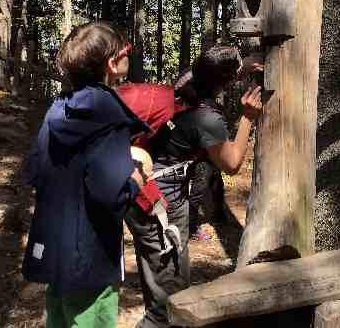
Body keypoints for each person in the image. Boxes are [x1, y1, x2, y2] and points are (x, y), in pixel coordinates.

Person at [22, 21, 150, 328]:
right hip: (91, 259)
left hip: (54, 252)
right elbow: (111, 197)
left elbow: (34, 170)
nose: (128, 55)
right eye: (127, 50)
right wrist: (137, 177)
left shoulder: (58, 108)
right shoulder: (109, 115)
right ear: (111, 62)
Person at [125, 44, 263, 328]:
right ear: (225, 80)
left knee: (160, 285)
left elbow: (210, 74)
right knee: (167, 305)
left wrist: (240, 69)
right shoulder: (207, 119)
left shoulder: (185, 83)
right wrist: (248, 118)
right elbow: (232, 163)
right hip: (160, 207)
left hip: (140, 191)